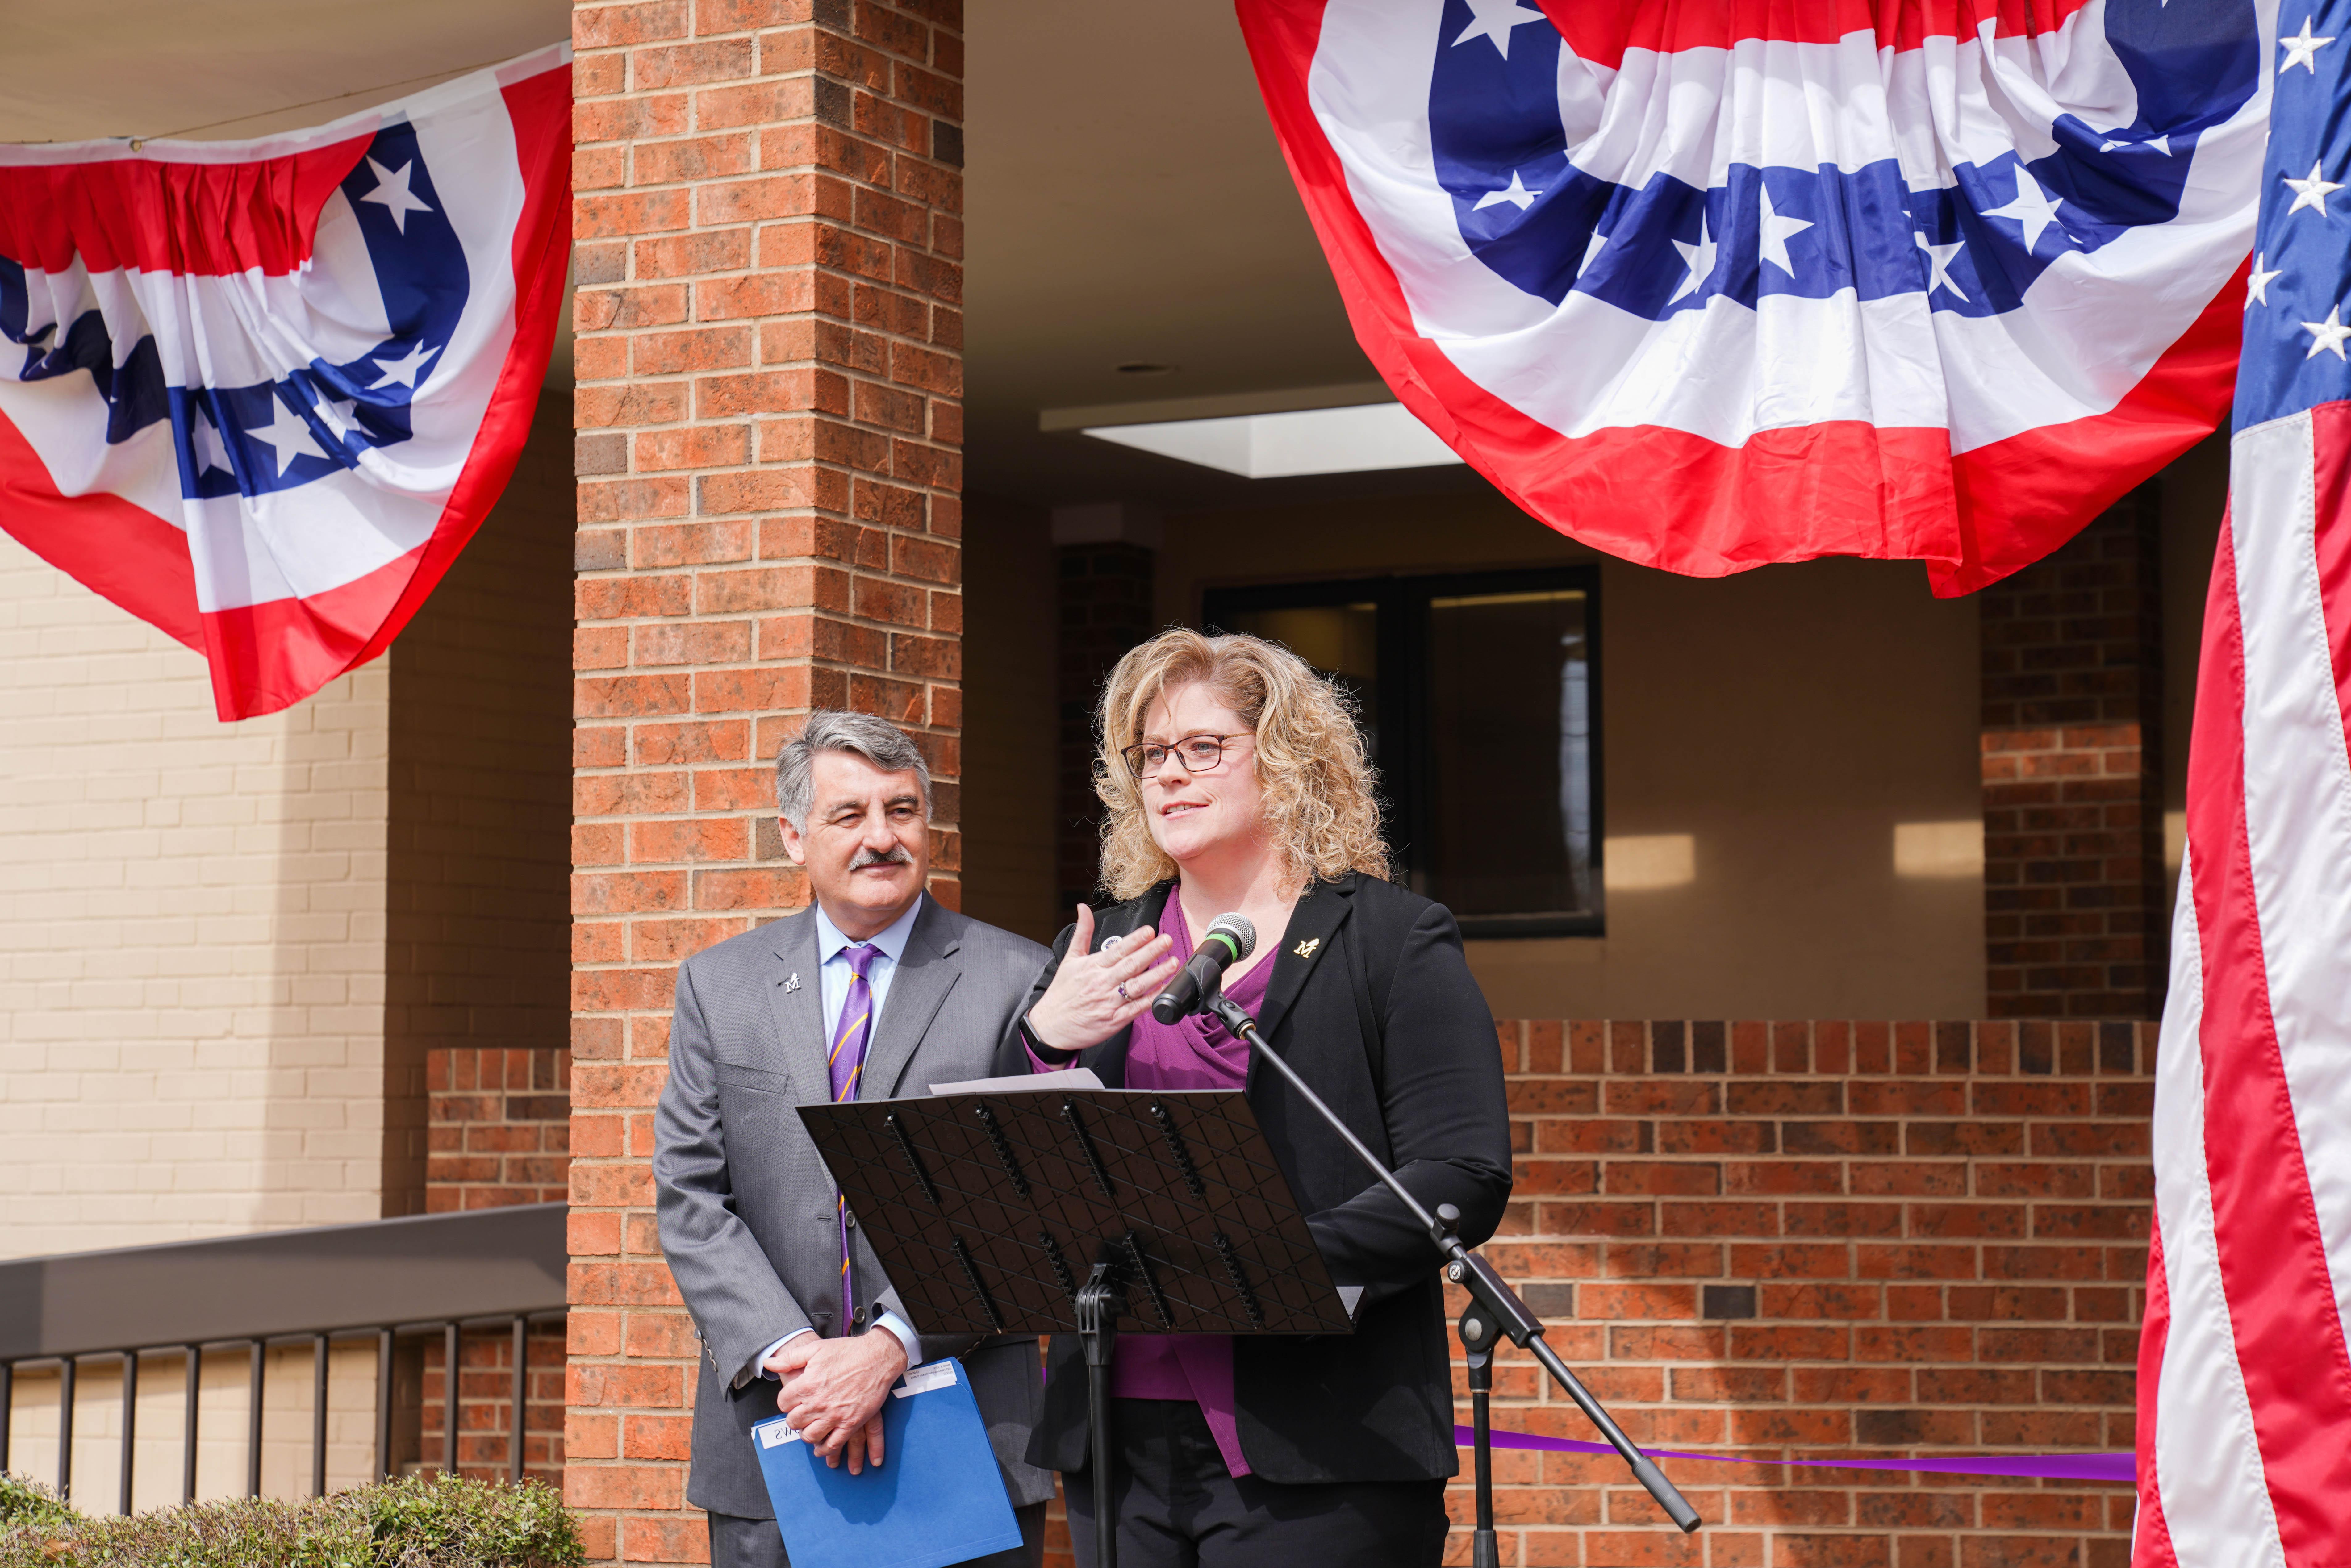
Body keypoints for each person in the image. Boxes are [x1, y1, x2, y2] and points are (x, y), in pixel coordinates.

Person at [997, 629, 1513, 1567]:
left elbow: (1460, 1174)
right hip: (1120, 1435)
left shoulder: (1391, 939)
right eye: (1151, 757)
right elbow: (1019, 1177)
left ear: (1282, 760)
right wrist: (1043, 1043)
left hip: (1323, 1436)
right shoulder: (1100, 950)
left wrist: (1261, 1263)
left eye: (1203, 748)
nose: (1170, 777)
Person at [655, 710, 1056, 1568]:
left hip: (968, 1430)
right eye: (850, 816)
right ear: (793, 838)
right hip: (777, 1429)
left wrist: (887, 1350)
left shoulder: (1019, 982)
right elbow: (692, 1200)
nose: (883, 837)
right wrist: (805, 1363)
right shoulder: (718, 987)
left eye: (902, 810)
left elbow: (1029, 1202)